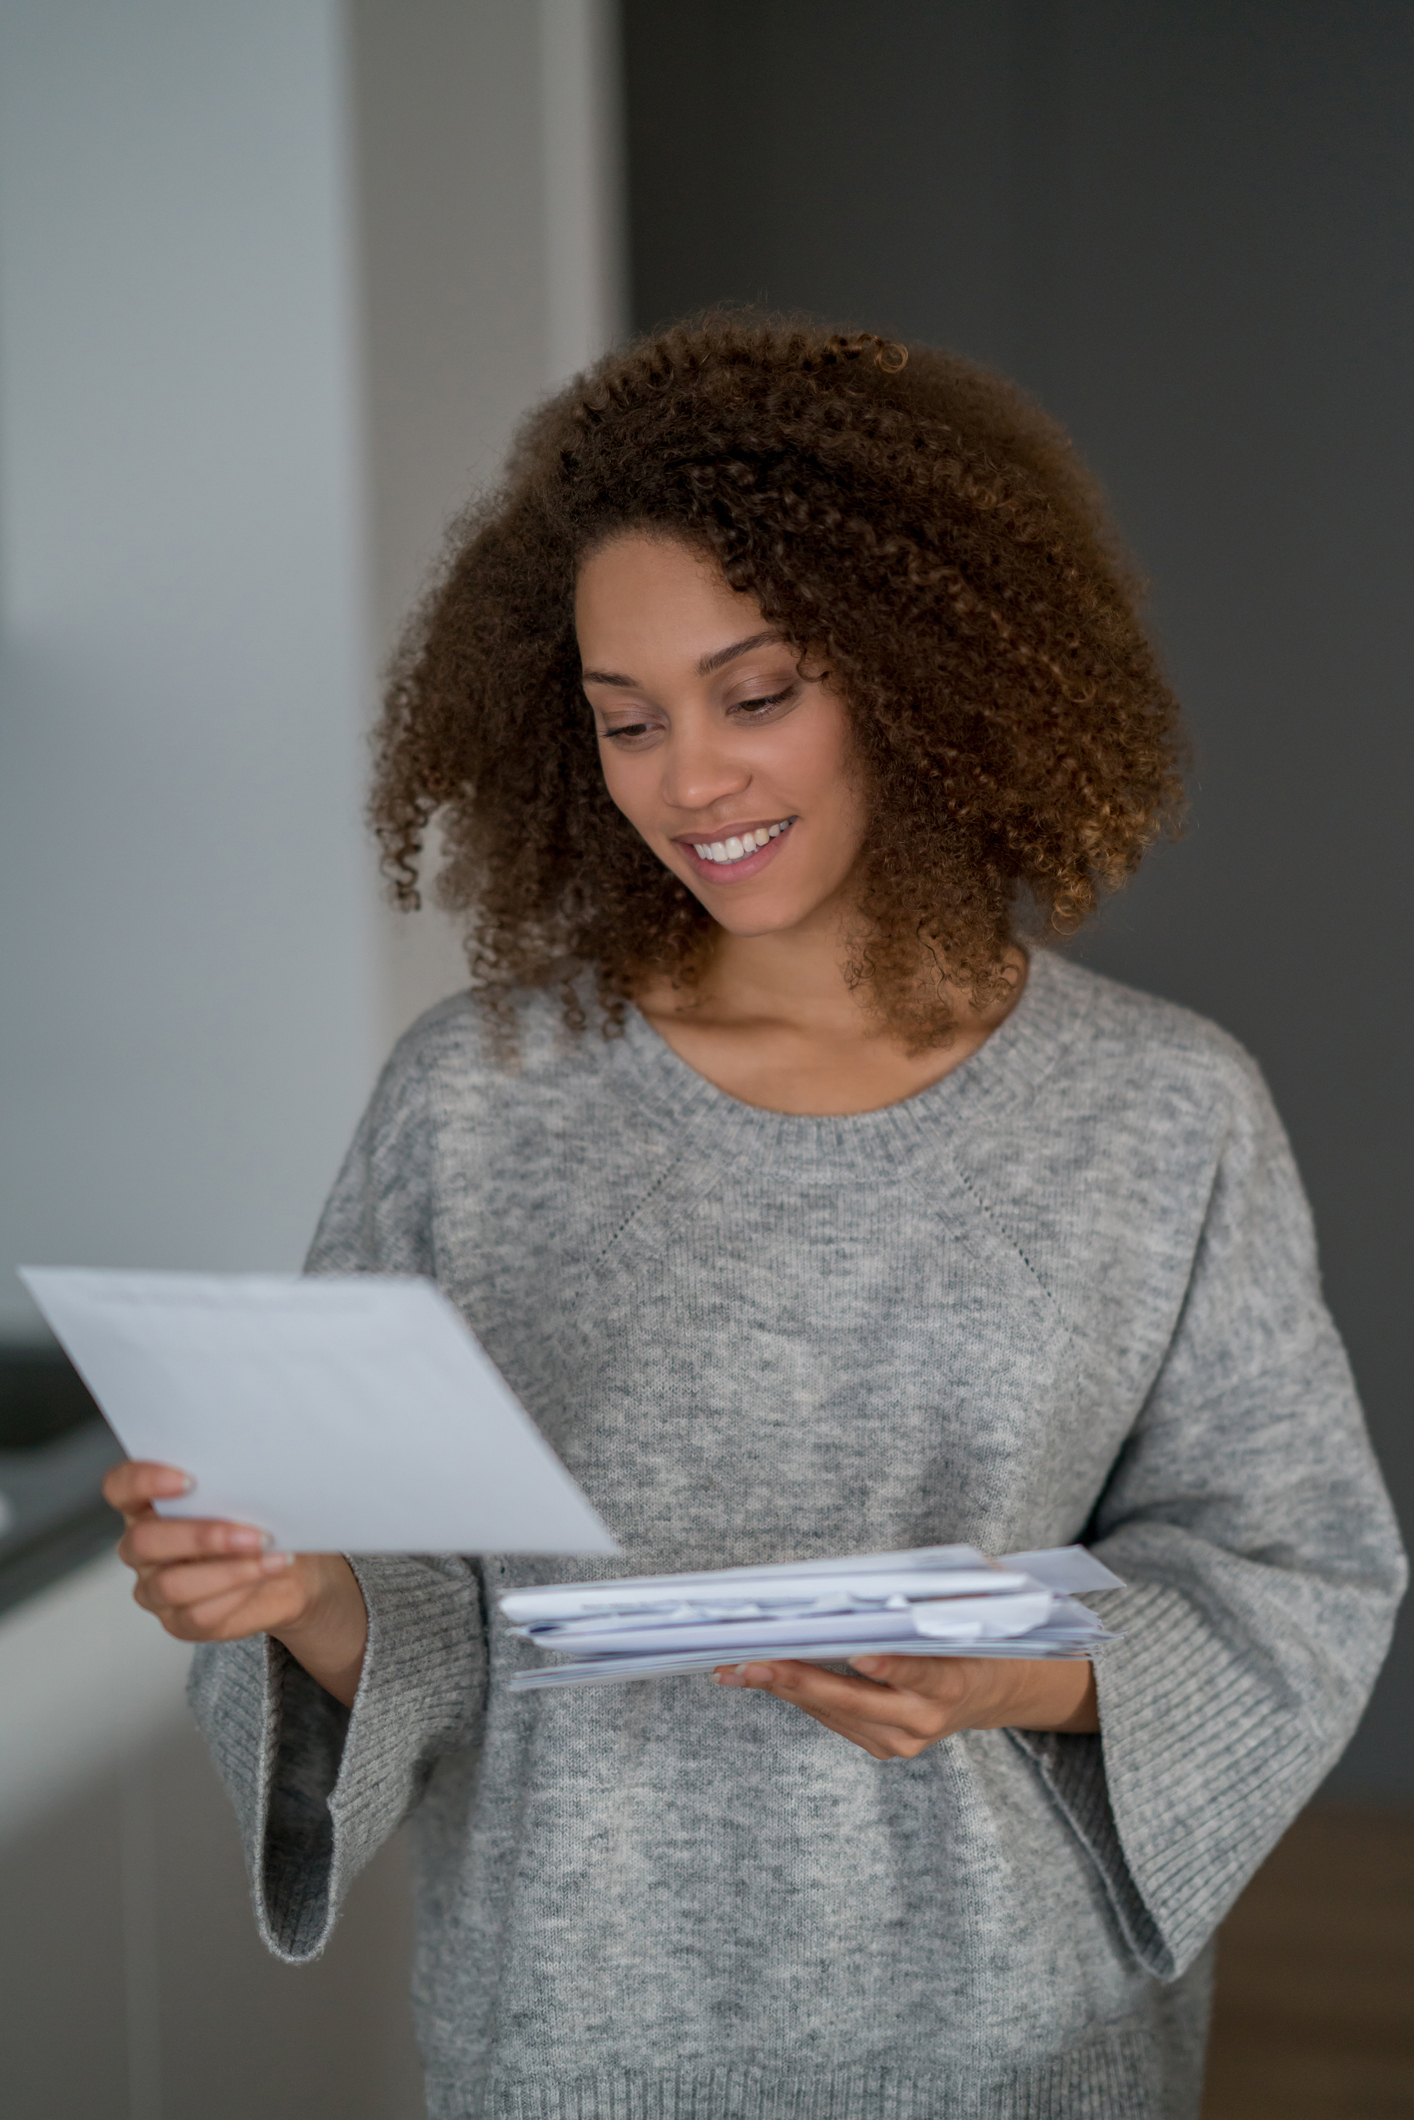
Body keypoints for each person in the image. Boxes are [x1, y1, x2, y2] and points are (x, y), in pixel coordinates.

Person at [106, 316, 1404, 2120]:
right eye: (624, 720)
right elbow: (414, 1594)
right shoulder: (477, 1099)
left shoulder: (1161, 1109)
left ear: (921, 666)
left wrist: (1023, 1681)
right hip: (574, 2033)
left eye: (758, 692)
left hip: (1010, 2046)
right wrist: (300, 1595)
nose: (688, 780)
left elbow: (1294, 1571)